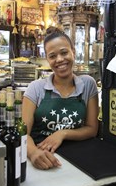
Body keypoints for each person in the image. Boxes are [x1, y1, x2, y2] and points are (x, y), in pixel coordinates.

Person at [22, 27, 99, 170]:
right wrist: (33, 153)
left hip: (78, 161)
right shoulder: (35, 88)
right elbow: (22, 133)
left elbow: (92, 129)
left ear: (73, 52)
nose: (59, 60)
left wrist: (62, 133)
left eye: (64, 52)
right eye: (52, 56)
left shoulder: (88, 84)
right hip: (40, 160)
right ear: (47, 60)